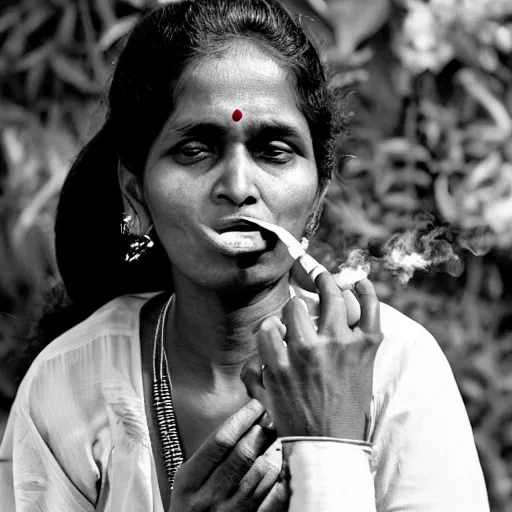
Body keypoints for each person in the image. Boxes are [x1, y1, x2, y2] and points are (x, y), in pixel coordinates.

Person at [0, 0, 490, 510]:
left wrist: (330, 448)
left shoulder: (399, 371)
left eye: (274, 150)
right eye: (196, 149)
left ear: (318, 196)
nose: (237, 187)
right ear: (136, 192)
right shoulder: (68, 382)